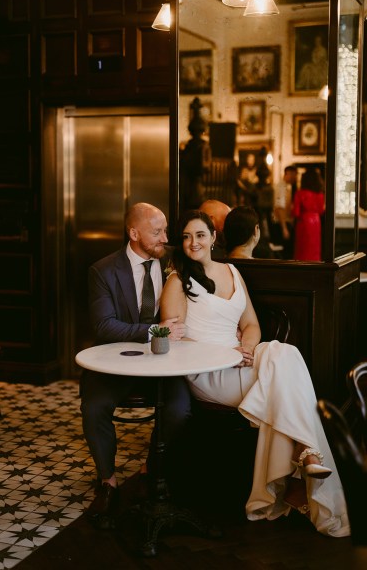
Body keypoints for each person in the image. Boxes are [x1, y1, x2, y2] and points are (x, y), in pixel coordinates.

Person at [160, 209, 350, 538]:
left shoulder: (231, 271)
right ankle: (303, 461)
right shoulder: (178, 280)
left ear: (213, 237)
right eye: (187, 237)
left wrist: (246, 349)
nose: (194, 243)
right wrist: (223, 354)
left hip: (242, 359)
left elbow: (251, 325)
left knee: (283, 354)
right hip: (207, 370)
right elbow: (177, 343)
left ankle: (302, 464)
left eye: (200, 235)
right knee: (282, 370)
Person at [81, 202, 191, 529]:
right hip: (116, 363)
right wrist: (155, 330)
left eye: (165, 231)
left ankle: (149, 471)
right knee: (93, 408)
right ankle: (108, 482)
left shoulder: (172, 259)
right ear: (134, 233)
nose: (164, 238)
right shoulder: (102, 271)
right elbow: (104, 326)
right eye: (157, 232)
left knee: (180, 410)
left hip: (164, 362)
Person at [292, 168, 325, 261]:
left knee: (303, 248)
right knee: (314, 247)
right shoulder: (320, 194)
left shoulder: (299, 194)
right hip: (316, 221)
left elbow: (296, 213)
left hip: (304, 221)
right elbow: (321, 211)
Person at [273, 165, 298, 259]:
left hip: (284, 223)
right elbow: (280, 208)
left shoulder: (287, 186)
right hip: (281, 224)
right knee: (284, 254)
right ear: (288, 174)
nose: (296, 177)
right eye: (294, 175)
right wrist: (284, 228)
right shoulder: (281, 187)